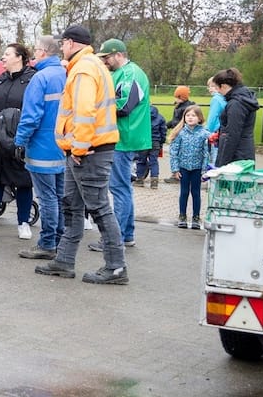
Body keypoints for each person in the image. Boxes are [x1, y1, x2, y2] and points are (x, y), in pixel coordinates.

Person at [34, 25, 128, 285]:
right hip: (86, 150)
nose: (61, 48)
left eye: (63, 43)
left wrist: (79, 147)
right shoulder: (86, 66)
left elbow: (85, 112)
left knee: (98, 209)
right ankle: (64, 261)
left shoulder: (84, 69)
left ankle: (116, 267)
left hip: (88, 152)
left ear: (71, 43)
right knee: (72, 206)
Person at [90, 38, 151, 251]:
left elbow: (125, 105)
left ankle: (114, 239)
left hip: (124, 138)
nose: (104, 61)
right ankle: (126, 235)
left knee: (118, 188)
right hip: (120, 137)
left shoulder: (132, 74)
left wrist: (95, 107)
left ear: (118, 55)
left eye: (106, 57)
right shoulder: (120, 73)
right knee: (122, 187)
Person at [15, 36, 66, 259]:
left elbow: (30, 117)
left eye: (36, 50)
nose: (34, 54)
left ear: (44, 52)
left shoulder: (40, 78)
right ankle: (60, 239)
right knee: (60, 196)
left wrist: (20, 141)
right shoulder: (67, 75)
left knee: (47, 198)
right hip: (64, 146)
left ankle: (47, 244)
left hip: (42, 147)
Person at [0, 43, 36, 240]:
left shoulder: (32, 79)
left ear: (19, 57)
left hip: (20, 139)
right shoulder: (0, 79)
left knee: (24, 182)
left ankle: (23, 223)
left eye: (7, 54)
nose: (3, 57)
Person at [168, 104, 211, 230]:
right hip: (183, 168)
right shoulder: (180, 133)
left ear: (199, 118)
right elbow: (174, 151)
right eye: (188, 115)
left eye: (193, 115)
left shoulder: (204, 134)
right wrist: (175, 169)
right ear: (184, 117)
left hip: (198, 169)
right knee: (184, 192)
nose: (190, 118)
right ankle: (182, 216)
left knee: (196, 192)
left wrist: (204, 170)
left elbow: (206, 153)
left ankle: (196, 217)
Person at [213, 68, 259, 167]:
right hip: (242, 151)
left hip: (237, 156)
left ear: (224, 86)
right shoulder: (241, 100)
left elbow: (232, 134)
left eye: (217, 88)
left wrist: (222, 164)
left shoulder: (236, 104)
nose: (217, 92)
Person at [164, 85, 195, 183]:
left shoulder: (185, 108)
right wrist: (166, 125)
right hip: (177, 132)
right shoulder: (179, 107)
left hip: (181, 134)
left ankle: (177, 175)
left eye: (177, 97)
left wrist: (171, 126)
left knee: (178, 154)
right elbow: (174, 120)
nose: (175, 99)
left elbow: (179, 122)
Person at [134, 106, 167, 189]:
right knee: (154, 161)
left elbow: (137, 129)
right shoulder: (160, 117)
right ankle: (154, 181)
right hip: (155, 142)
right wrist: (161, 142)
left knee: (141, 161)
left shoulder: (141, 116)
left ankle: (140, 179)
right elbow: (163, 131)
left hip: (143, 142)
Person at [205, 75, 227, 165]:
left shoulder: (216, 99)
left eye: (213, 86)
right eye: (209, 86)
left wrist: (207, 130)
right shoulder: (224, 98)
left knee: (213, 156)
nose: (210, 89)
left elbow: (213, 116)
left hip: (215, 132)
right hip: (222, 130)